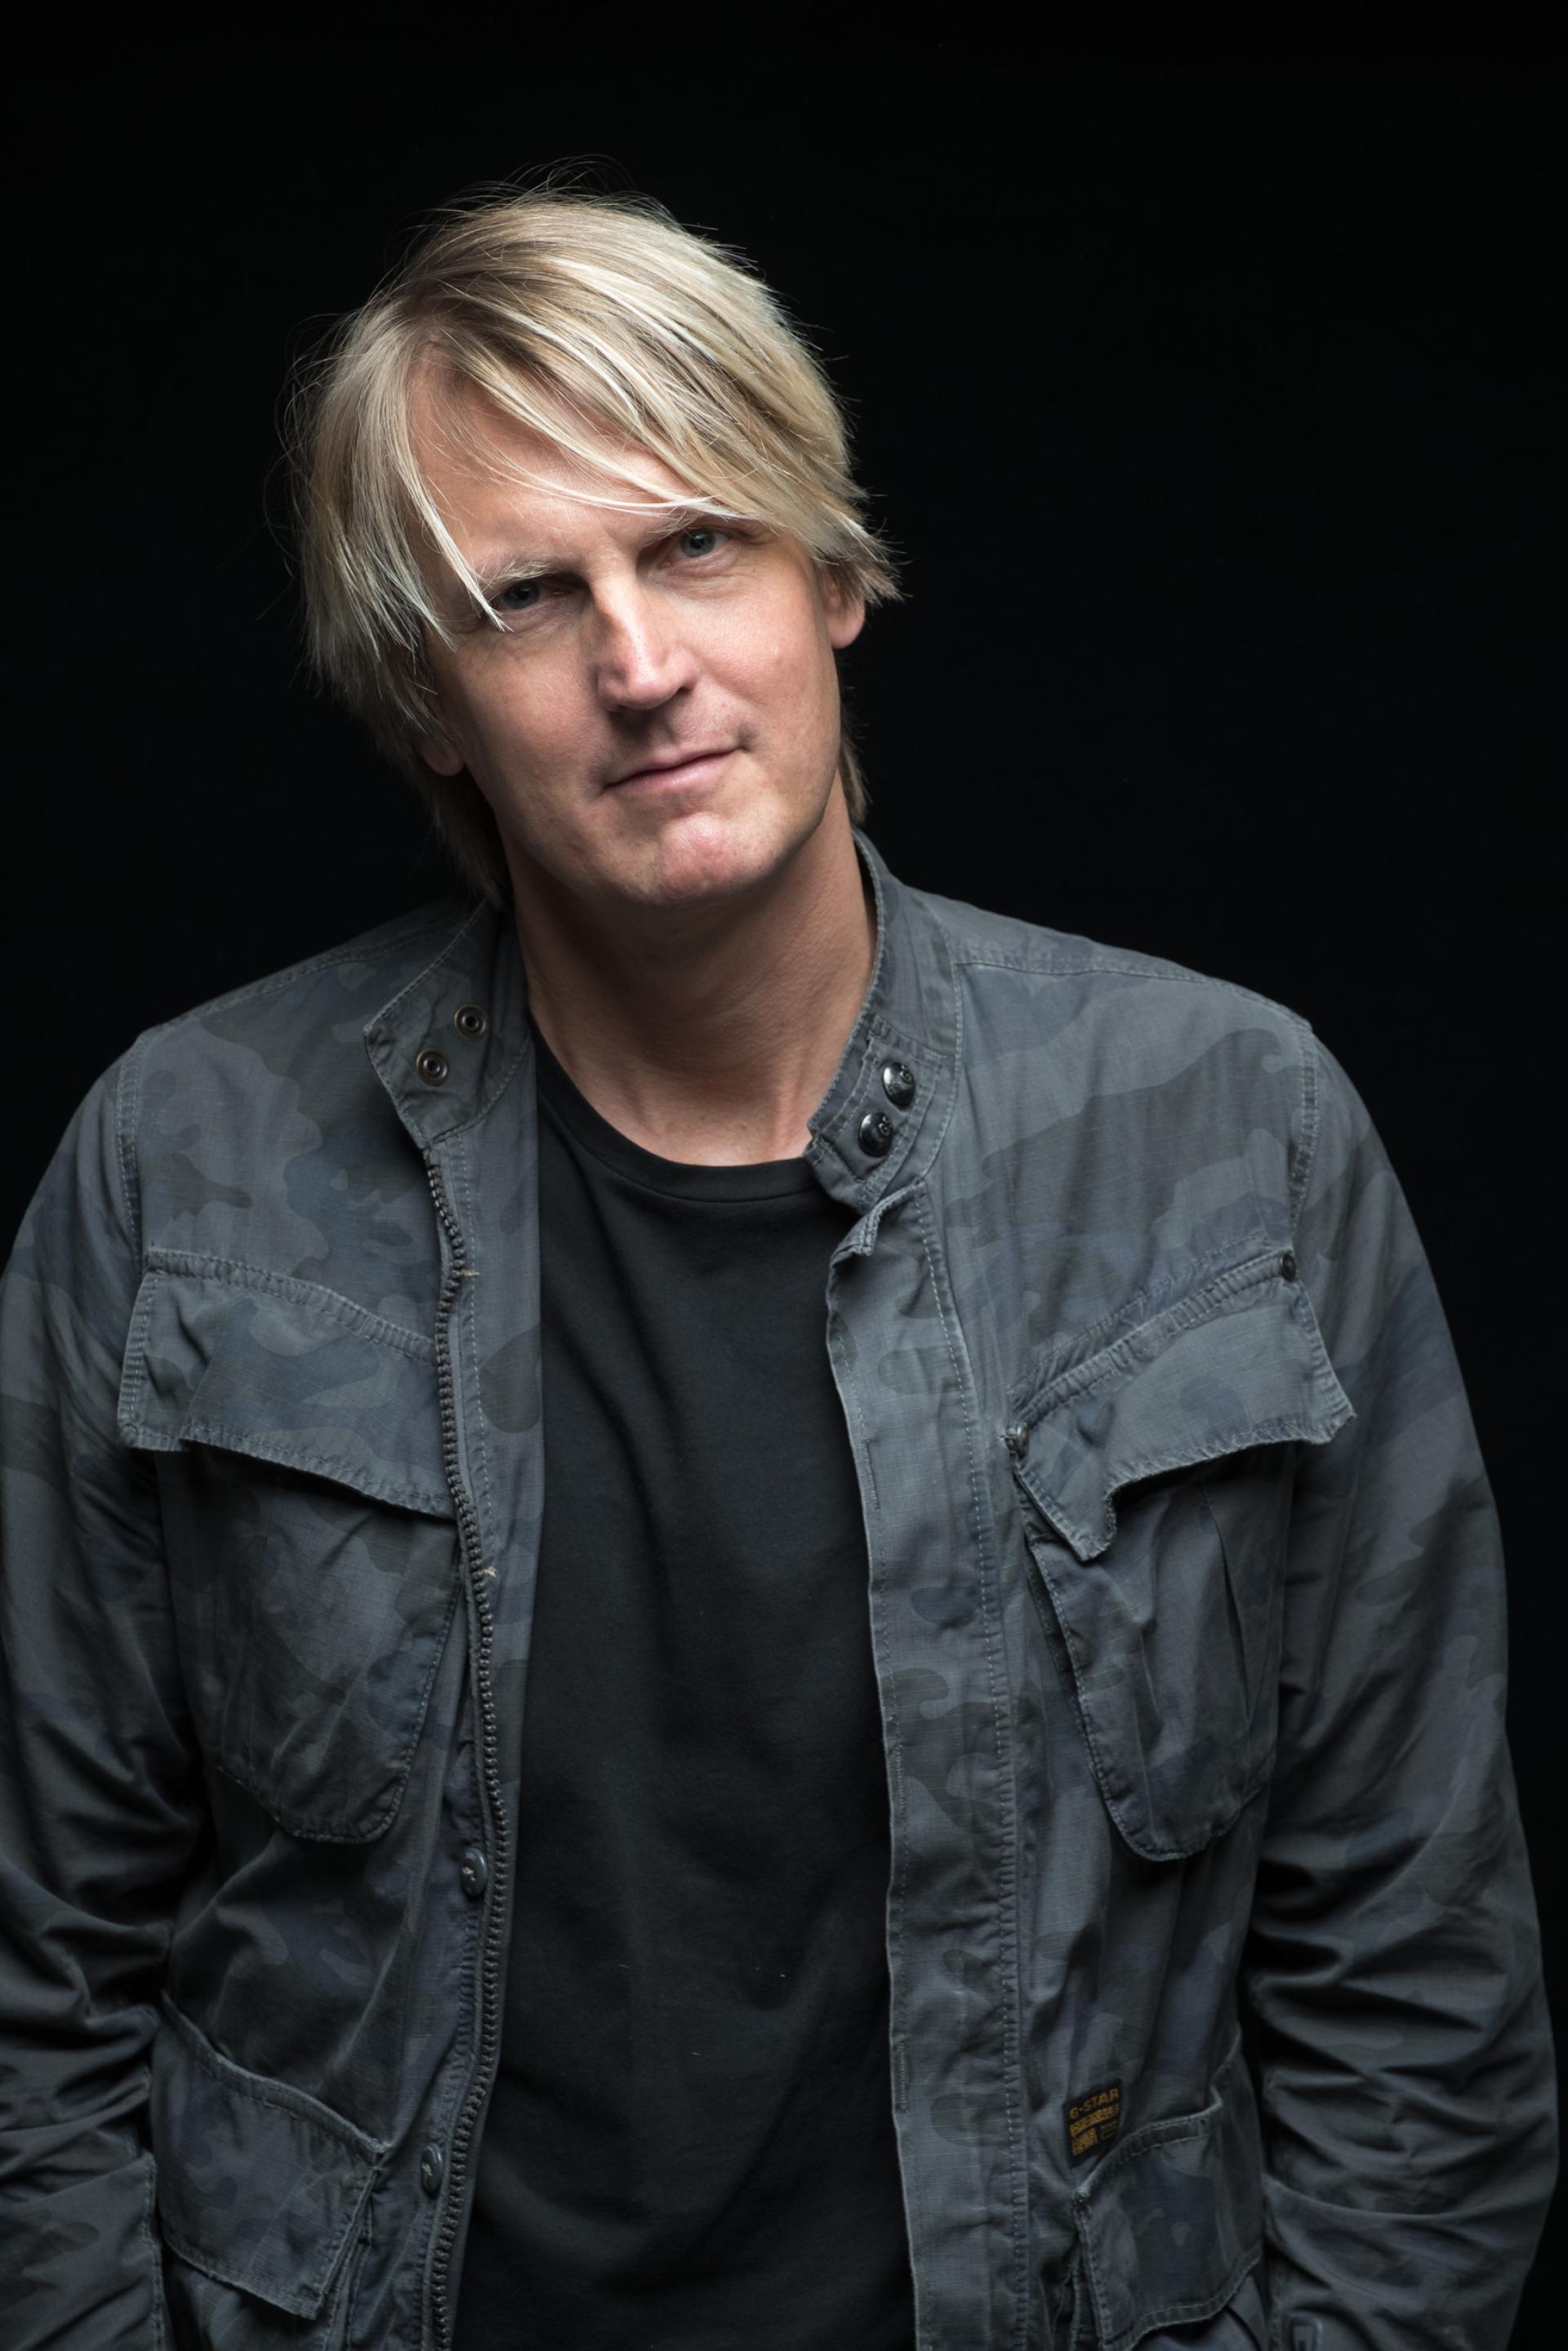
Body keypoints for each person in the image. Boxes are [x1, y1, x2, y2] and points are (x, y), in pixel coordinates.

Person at [0, 183, 1554, 2351]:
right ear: (430, 702)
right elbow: (40, 1973)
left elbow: (1417, 1970)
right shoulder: (189, 1164)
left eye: (699, 545)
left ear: (836, 574)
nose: (641, 666)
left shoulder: (1230, 1129)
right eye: (529, 595)